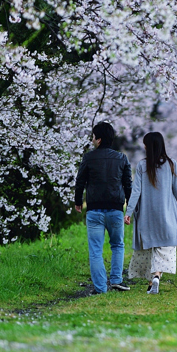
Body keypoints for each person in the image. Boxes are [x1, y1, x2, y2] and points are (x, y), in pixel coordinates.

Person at [74, 121, 132, 294]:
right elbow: (128, 185)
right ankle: (116, 280)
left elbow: (80, 182)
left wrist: (78, 201)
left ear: (98, 140)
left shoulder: (88, 158)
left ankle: (100, 288)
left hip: (94, 210)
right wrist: (129, 208)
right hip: (115, 209)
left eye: (93, 137)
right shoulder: (121, 158)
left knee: (96, 250)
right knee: (117, 245)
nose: (92, 140)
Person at [125, 132, 177, 294]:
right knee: (164, 246)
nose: (144, 147)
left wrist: (129, 211)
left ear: (149, 146)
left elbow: (136, 190)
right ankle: (157, 276)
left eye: (145, 144)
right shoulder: (172, 164)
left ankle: (153, 281)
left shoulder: (142, 165)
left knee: (150, 247)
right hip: (168, 212)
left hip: (147, 214)